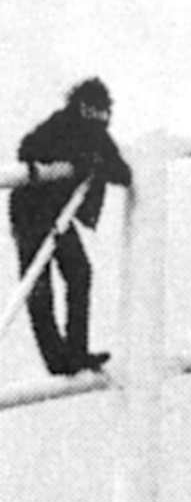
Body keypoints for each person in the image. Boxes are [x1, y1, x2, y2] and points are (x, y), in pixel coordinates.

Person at [9, 77, 132, 375]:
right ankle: (56, 358)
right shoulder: (61, 124)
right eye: (96, 109)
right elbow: (27, 150)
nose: (101, 116)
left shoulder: (98, 136)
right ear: (82, 106)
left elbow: (122, 173)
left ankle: (76, 351)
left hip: (57, 213)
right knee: (40, 287)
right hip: (30, 212)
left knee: (79, 273)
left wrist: (95, 163)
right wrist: (75, 159)